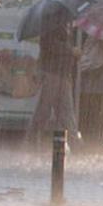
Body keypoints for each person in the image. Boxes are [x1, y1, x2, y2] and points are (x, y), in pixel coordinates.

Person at [26, 13, 81, 149]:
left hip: (62, 74)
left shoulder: (65, 27)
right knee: (44, 110)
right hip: (52, 73)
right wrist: (71, 51)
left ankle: (74, 144)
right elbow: (50, 45)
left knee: (66, 111)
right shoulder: (51, 26)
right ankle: (32, 140)